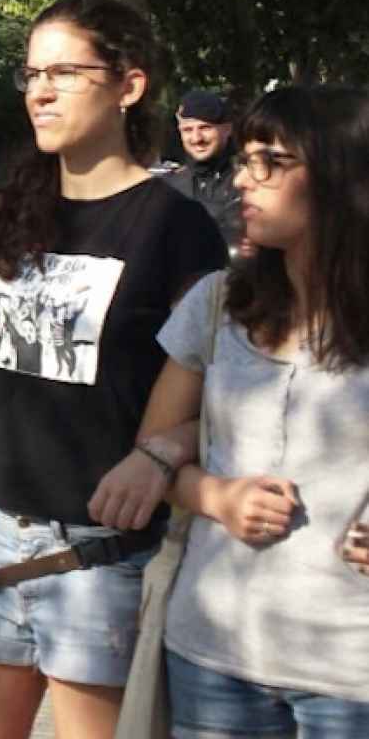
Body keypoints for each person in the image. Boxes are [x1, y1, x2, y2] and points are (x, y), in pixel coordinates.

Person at [0, 0, 226, 739]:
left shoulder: (178, 226)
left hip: (97, 556)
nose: (40, 90)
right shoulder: (10, 207)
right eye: (31, 73)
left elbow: (218, 387)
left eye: (64, 71)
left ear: (129, 85)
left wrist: (160, 458)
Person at [90, 86, 369, 737]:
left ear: (340, 175)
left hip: (352, 670)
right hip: (215, 651)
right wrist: (216, 496)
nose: (243, 178)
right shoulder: (220, 302)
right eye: (244, 158)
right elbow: (152, 447)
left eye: (270, 161)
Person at [162, 89, 243, 250]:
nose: (196, 138)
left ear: (227, 129)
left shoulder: (245, 183)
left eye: (205, 128)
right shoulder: (167, 186)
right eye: (187, 130)